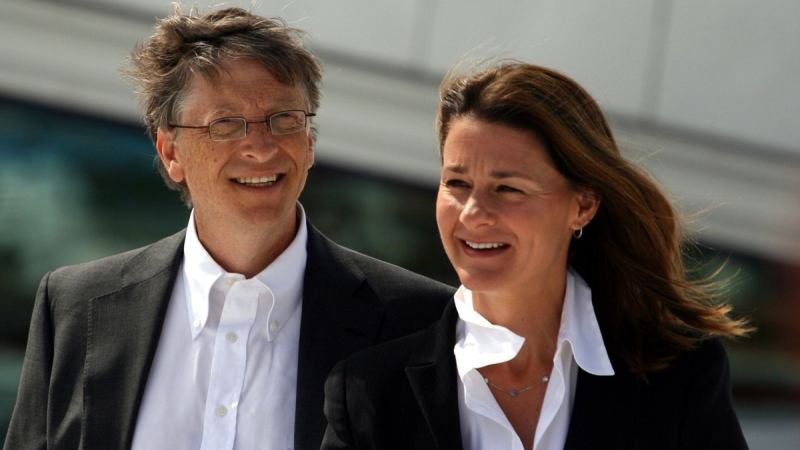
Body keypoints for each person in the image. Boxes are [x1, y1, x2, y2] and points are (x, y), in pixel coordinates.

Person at [4, 7, 454, 450]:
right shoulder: (75, 308)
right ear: (171, 153)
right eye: (225, 124)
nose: (261, 147)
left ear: (309, 142)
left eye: (284, 119)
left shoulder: (418, 324)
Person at [322, 62, 751, 450]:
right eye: (457, 183)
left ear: (583, 205)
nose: (472, 214)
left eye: (508, 189)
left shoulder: (681, 372)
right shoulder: (369, 392)